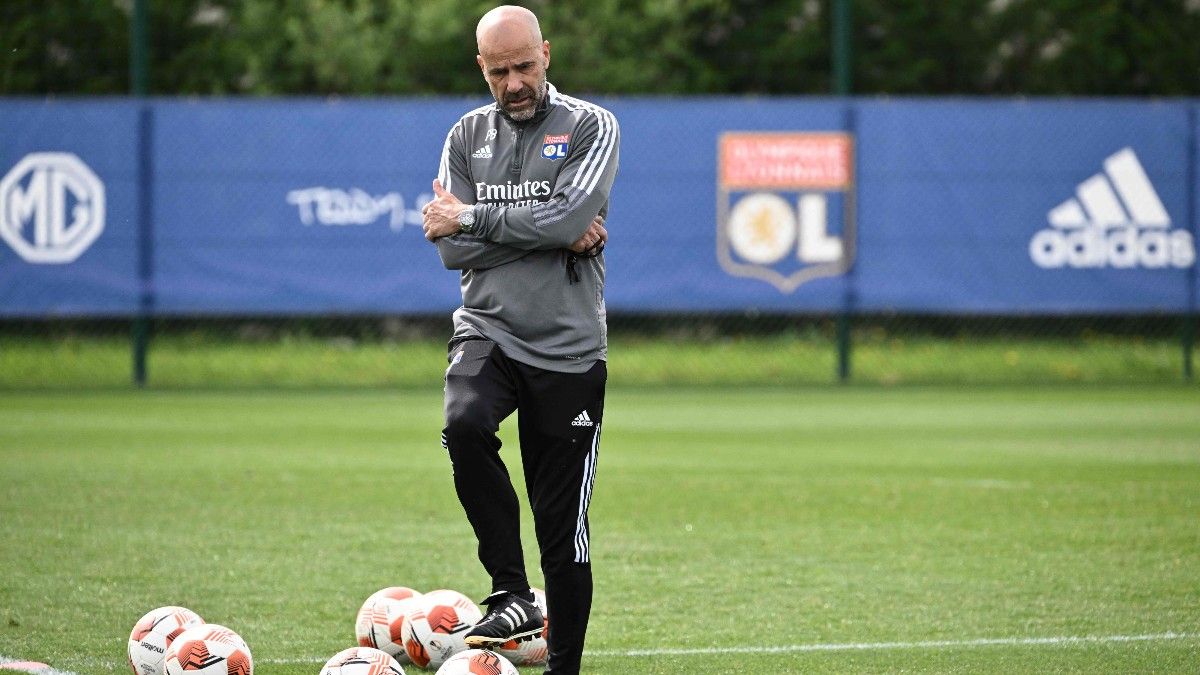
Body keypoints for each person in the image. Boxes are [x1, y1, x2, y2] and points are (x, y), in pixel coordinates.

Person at [420, 5, 619, 674]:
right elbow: (451, 254)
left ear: (548, 55)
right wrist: (552, 231)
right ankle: (509, 590)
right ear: (482, 67)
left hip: (567, 352)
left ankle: (565, 668)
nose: (514, 83)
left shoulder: (592, 125)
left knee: (563, 536)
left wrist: (479, 221)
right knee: (464, 423)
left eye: (524, 66)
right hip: (489, 331)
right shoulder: (464, 135)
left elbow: (564, 215)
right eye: (499, 71)